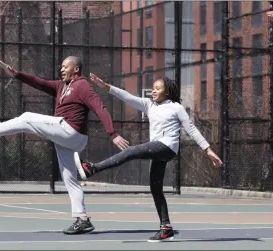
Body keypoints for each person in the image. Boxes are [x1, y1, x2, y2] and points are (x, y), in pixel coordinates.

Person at [0, 57, 129, 235]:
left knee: (27, 117)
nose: (61, 70)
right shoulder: (62, 86)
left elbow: (100, 108)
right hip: (66, 138)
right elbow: (39, 83)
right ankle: (82, 219)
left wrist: (112, 134)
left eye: (65, 67)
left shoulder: (82, 85)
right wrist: (16, 74)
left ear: (76, 69)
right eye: (61, 67)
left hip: (72, 131)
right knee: (69, 178)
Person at [74, 73, 223, 242]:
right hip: (158, 148)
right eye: (153, 88)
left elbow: (191, 129)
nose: (153, 91)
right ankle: (166, 228)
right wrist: (105, 86)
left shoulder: (176, 107)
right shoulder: (148, 105)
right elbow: (126, 96)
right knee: (155, 188)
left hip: (167, 146)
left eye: (158, 89)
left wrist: (208, 150)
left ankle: (92, 168)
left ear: (167, 92)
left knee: (130, 151)